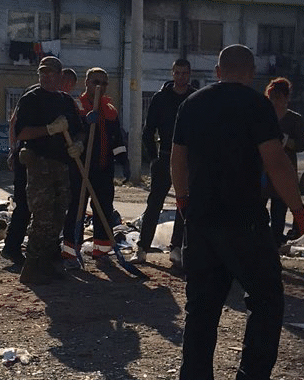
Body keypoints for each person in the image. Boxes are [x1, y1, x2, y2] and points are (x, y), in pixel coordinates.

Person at [171, 45, 304, 380]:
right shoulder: (256, 105)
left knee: (201, 308)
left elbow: (177, 157)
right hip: (244, 220)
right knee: (266, 298)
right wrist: (297, 210)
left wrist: (183, 200)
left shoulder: (192, 104)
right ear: (250, 73)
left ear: (218, 71)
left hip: (201, 220)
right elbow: (275, 161)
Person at [12, 56, 84, 286]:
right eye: (42, 72)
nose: (45, 76)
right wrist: (50, 129)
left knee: (58, 214)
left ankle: (47, 263)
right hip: (39, 163)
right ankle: (31, 267)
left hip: (61, 164)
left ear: (60, 76)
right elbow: (22, 132)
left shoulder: (66, 101)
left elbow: (79, 129)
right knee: (42, 215)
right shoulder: (31, 99)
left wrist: (78, 144)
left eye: (50, 73)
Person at [61, 68, 130, 265]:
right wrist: (84, 122)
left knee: (104, 207)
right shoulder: (76, 106)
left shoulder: (110, 110)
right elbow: (69, 135)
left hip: (103, 167)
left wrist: (124, 161)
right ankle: (70, 247)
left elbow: (117, 140)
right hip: (81, 167)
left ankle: (101, 248)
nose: (99, 86)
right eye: (95, 82)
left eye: (103, 83)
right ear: (87, 83)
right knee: (77, 207)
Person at [135, 58, 193, 266]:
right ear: (172, 73)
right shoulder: (161, 98)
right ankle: (142, 248)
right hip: (165, 156)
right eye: (177, 73)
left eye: (184, 73)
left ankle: (176, 247)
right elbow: (148, 130)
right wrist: (154, 158)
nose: (181, 77)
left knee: (183, 204)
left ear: (189, 74)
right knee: (154, 203)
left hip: (187, 160)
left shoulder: (194, 98)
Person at [264, 78, 304, 244]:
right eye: (272, 97)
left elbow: (301, 145)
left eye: (279, 97)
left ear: (286, 98)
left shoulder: (294, 119)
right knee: (258, 207)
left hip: (284, 171)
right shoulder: (264, 117)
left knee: (279, 211)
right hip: (264, 170)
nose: (275, 101)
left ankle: (276, 244)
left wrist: (284, 140)